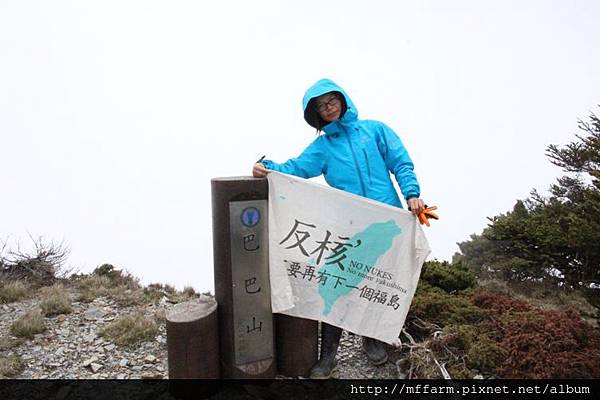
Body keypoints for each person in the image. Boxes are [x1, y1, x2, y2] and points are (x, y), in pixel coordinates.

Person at [252, 78, 426, 378]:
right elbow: (297, 168)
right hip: (348, 227)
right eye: (321, 106)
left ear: (343, 100)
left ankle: (372, 339)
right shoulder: (322, 148)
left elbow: (401, 162)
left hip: (387, 223)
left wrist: (411, 194)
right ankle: (328, 355)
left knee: (378, 281)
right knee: (336, 284)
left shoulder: (374, 130)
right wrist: (267, 166)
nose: (328, 107)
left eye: (331, 100)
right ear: (316, 115)